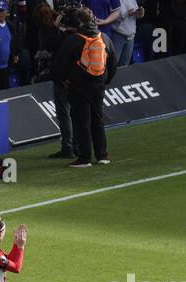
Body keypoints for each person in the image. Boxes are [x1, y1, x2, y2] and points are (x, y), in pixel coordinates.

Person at [54, 5, 114, 168]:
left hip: (78, 86)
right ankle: (102, 155)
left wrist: (63, 82)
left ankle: (84, 157)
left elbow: (60, 65)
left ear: (78, 21)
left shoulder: (73, 39)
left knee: (81, 122)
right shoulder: (104, 37)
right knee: (97, 119)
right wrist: (104, 81)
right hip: (98, 85)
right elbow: (113, 63)